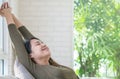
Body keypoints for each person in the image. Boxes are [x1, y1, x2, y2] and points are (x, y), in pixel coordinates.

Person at [0, 2, 79, 79]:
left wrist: (11, 15)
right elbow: (17, 40)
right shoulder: (34, 69)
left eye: (42, 43)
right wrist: (7, 15)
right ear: (31, 55)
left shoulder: (53, 65)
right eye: (38, 44)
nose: (43, 44)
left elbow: (27, 34)